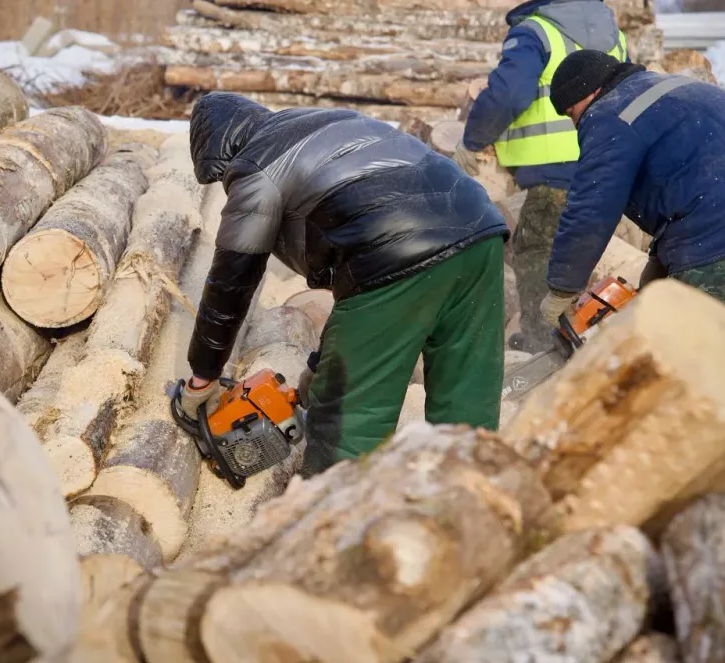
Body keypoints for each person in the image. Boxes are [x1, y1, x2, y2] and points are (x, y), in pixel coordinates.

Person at [177, 92, 510, 471]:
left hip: (399, 256)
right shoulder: (324, 125)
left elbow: (232, 279)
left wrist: (203, 374)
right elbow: (357, 248)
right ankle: (469, 514)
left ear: (224, 149)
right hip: (480, 232)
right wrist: (322, 365)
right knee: (467, 410)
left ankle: (331, 523)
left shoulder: (256, 165)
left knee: (350, 421)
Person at [456, 0, 627, 352]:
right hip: (605, 162)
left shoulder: (536, 31)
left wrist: (473, 140)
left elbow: (508, 94)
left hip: (553, 171)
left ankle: (543, 344)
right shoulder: (613, 32)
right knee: (581, 251)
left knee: (536, 253)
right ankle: (582, 335)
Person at [539, 50, 725, 325]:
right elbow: (689, 181)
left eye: (571, 112)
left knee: (689, 347)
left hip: (712, 241)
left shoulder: (609, 114)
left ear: (590, 93)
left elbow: (590, 209)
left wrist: (561, 290)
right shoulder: (669, 86)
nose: (574, 123)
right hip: (707, 219)